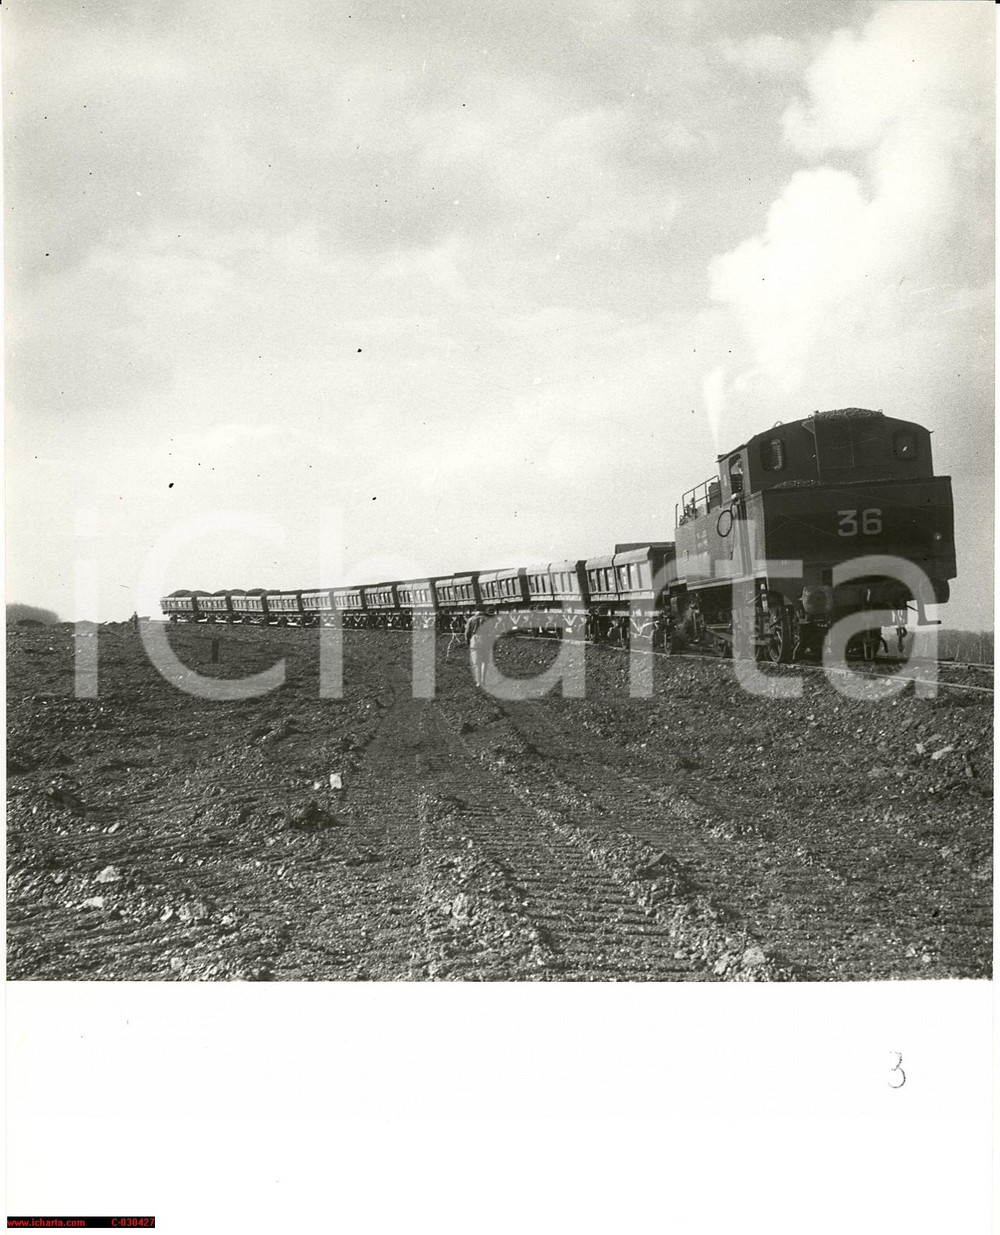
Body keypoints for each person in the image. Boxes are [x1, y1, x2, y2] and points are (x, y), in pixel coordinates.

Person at [465, 609, 491, 688]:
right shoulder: (488, 619)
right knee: (484, 662)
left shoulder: (471, 619)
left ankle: (478, 682)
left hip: (475, 641)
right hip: (485, 640)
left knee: (477, 663)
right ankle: (483, 680)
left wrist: (468, 642)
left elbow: (467, 633)